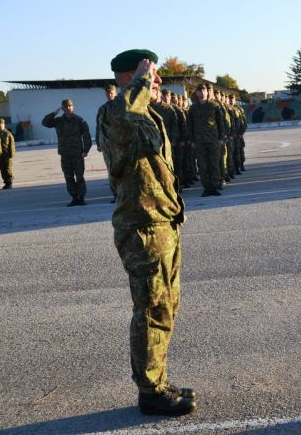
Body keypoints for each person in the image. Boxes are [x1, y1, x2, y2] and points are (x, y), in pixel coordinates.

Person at [100, 49, 196, 417]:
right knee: (152, 308)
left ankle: (158, 379)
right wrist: (142, 77)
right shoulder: (114, 113)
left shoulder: (147, 113)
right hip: (142, 226)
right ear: (130, 77)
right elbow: (125, 112)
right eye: (150, 73)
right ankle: (151, 391)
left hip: (161, 222)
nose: (157, 81)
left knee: (165, 306)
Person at [41, 99, 92, 206]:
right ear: (62, 108)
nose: (68, 108)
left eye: (70, 106)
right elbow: (44, 123)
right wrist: (54, 113)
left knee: (79, 177)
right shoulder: (58, 121)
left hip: (77, 154)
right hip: (65, 154)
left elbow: (86, 136)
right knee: (68, 177)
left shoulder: (79, 120)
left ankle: (81, 198)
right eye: (65, 106)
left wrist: (86, 150)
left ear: (73, 107)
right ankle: (74, 198)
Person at [187, 84, 225, 196]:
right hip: (199, 141)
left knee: (214, 164)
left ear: (207, 92)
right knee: (202, 166)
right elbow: (190, 125)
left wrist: (221, 138)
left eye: (203, 90)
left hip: (213, 140)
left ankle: (214, 187)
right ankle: (207, 188)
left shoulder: (214, 105)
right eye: (199, 90)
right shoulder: (193, 108)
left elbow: (220, 123)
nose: (202, 92)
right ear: (197, 93)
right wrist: (192, 140)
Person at [96, 85, 118, 202]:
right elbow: (98, 126)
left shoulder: (121, 106)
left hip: (120, 144)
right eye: (108, 93)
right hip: (107, 145)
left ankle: (125, 194)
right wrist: (99, 143)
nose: (110, 95)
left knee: (124, 169)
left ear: (115, 92)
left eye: (111, 92)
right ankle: (116, 195)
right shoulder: (102, 109)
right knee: (111, 170)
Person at [0, 119, 15, 189]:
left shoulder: (8, 134)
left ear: (4, 125)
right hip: (0, 155)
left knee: (8, 169)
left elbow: (12, 145)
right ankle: (6, 182)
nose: (0, 126)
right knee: (2, 169)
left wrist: (11, 155)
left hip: (7, 155)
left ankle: (9, 183)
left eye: (2, 124)